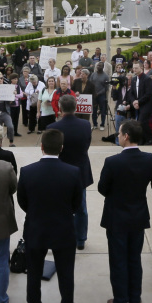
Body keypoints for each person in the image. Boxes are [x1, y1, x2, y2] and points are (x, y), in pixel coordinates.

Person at [17, 129, 84, 303]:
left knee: (34, 273)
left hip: (36, 228)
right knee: (66, 273)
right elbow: (76, 203)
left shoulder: (27, 172)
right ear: (61, 148)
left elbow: (23, 201)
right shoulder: (72, 172)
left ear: (42, 147)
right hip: (63, 229)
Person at [98, 120, 152, 303]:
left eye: (120, 133)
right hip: (138, 216)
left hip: (117, 218)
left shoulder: (113, 162)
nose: (118, 136)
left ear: (127, 136)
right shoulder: (149, 159)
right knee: (134, 259)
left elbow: (102, 188)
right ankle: (135, 298)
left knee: (118, 261)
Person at [47, 94, 93, 250]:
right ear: (76, 107)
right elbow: (86, 145)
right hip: (80, 171)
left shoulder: (52, 128)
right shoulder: (86, 125)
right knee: (81, 209)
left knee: (58, 208)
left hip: (59, 173)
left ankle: (59, 238)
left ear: (60, 108)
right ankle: (80, 240)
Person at [125, 62, 152, 144]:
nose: (134, 70)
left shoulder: (147, 79)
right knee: (138, 123)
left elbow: (148, 94)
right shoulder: (134, 79)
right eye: (133, 68)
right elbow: (131, 93)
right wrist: (134, 102)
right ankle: (142, 140)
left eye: (136, 68)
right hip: (137, 105)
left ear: (141, 68)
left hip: (146, 104)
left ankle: (150, 138)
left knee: (141, 122)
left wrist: (138, 102)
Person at [89, 62, 110, 131]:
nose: (98, 67)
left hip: (102, 96)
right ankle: (95, 124)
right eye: (98, 66)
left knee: (103, 110)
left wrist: (99, 93)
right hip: (94, 96)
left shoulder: (106, 76)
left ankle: (102, 124)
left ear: (103, 67)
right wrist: (93, 92)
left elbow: (106, 87)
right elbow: (90, 84)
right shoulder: (93, 74)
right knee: (94, 110)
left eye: (100, 66)